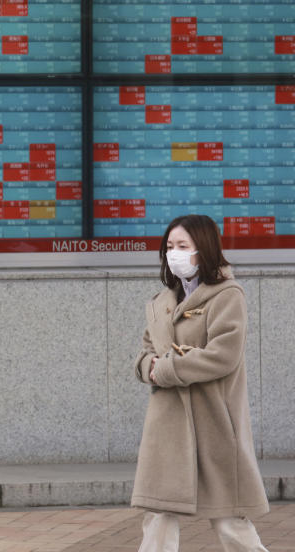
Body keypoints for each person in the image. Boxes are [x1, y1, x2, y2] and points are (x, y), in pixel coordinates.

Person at [133, 214, 270, 552]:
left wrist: (165, 370)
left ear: (203, 249)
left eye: (182, 246)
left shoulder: (227, 295)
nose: (173, 253)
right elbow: (144, 354)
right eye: (169, 247)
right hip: (167, 425)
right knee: (157, 515)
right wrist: (148, 366)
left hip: (213, 421)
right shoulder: (162, 302)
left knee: (229, 520)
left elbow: (222, 355)